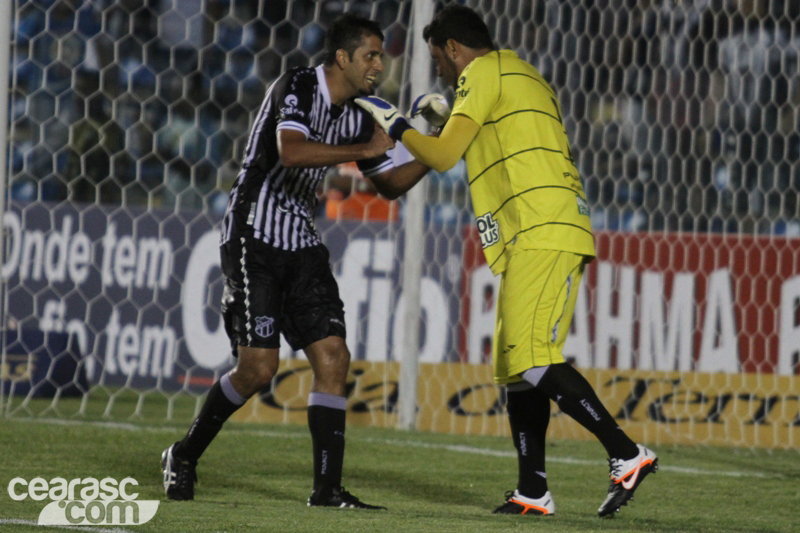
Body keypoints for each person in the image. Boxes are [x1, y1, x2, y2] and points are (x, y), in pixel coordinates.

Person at [355, 4, 657, 518]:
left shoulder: (483, 72)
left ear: (454, 50)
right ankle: (532, 491)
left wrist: (399, 123)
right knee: (517, 369)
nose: (443, 74)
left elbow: (445, 157)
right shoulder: (524, 74)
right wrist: (449, 117)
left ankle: (627, 452)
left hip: (543, 228)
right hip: (537, 231)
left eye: (440, 61)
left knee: (534, 357)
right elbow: (504, 142)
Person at [160, 13, 430, 509]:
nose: (379, 64)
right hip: (254, 236)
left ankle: (326, 489)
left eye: (381, 55)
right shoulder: (301, 85)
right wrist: (365, 148)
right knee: (258, 369)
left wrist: (435, 151)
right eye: (370, 55)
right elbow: (290, 151)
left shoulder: (360, 113)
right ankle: (183, 454)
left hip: (302, 242)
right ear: (343, 57)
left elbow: (388, 186)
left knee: (333, 357)